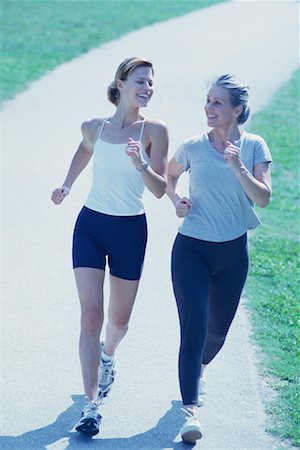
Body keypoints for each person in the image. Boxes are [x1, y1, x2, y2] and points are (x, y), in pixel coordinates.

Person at [51, 57, 168, 436]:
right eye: (141, 80)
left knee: (118, 323)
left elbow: (160, 189)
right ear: (120, 84)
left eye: (151, 82)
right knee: (90, 317)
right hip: (91, 225)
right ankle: (91, 404)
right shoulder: (94, 127)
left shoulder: (154, 130)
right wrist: (68, 184)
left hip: (130, 230)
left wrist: (141, 164)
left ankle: (108, 356)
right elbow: (84, 150)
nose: (148, 87)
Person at [167, 73, 272, 444]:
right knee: (194, 325)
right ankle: (189, 411)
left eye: (217, 103)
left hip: (232, 252)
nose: (209, 108)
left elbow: (263, 198)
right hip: (191, 249)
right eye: (207, 100)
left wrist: (238, 166)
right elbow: (171, 175)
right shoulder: (192, 146)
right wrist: (176, 199)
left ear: (236, 110)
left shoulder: (255, 146)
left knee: (216, 333)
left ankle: (198, 370)